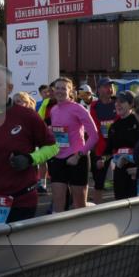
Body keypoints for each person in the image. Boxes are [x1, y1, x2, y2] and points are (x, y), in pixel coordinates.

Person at [0, 65, 57, 226]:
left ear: (9, 88)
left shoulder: (27, 116)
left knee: (18, 249)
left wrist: (30, 159)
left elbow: (53, 147)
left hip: (21, 199)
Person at [48, 77, 98, 211]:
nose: (59, 91)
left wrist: (78, 155)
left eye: (63, 88)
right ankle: (60, 230)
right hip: (58, 158)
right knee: (58, 203)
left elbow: (94, 136)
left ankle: (81, 230)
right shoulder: (53, 110)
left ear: (70, 91)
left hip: (77, 158)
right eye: (57, 88)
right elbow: (59, 134)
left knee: (79, 205)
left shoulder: (78, 108)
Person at [104, 91, 139, 199]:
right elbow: (109, 150)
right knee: (120, 203)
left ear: (131, 104)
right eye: (116, 102)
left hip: (135, 172)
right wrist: (102, 159)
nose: (117, 104)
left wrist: (131, 160)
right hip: (119, 171)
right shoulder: (114, 126)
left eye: (122, 102)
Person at [89, 78, 118, 205]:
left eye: (111, 86)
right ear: (99, 89)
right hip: (100, 149)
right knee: (98, 182)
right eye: (106, 86)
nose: (109, 88)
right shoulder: (94, 106)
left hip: (117, 148)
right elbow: (94, 129)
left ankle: (121, 208)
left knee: (120, 180)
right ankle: (97, 209)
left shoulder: (118, 103)